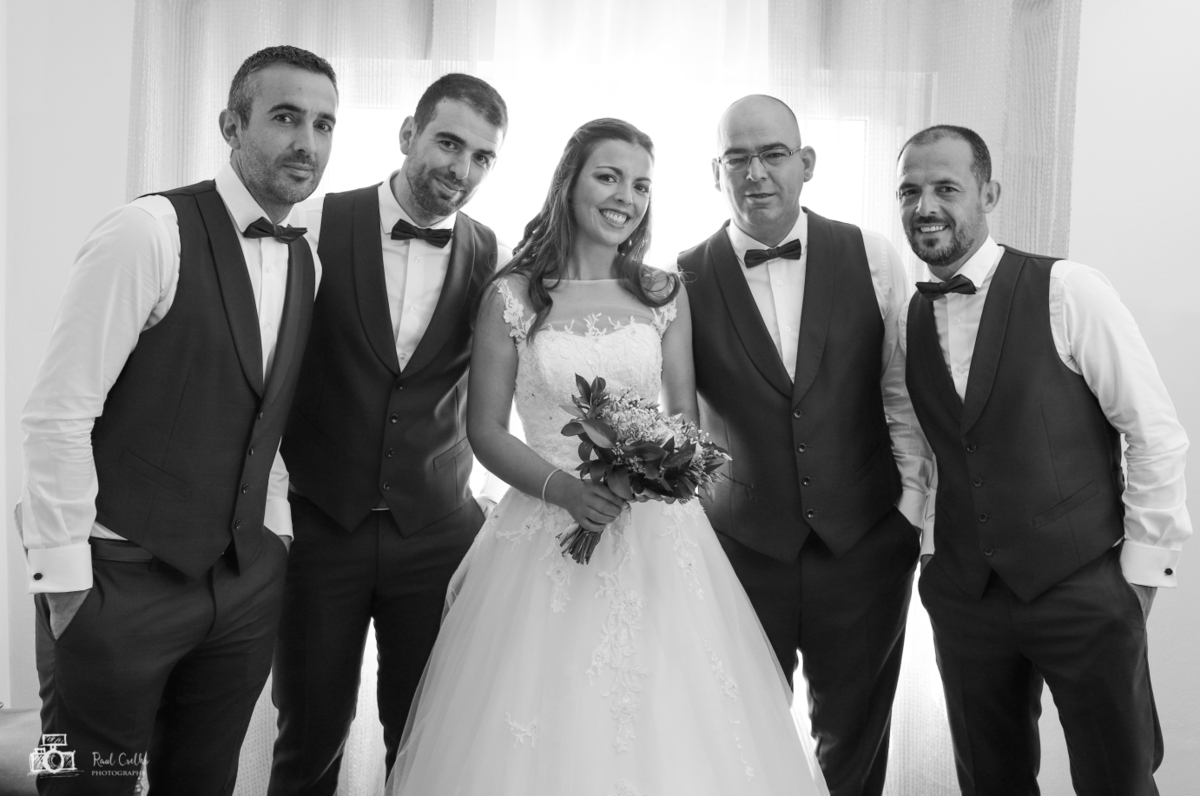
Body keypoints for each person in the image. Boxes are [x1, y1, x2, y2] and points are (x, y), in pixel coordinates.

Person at [385, 118, 827, 795]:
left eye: (641, 185)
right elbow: (486, 430)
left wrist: (652, 471)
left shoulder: (663, 292)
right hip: (542, 531)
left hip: (657, 538)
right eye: (609, 177)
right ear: (569, 183)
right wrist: (566, 490)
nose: (627, 197)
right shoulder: (512, 296)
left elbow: (682, 416)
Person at [17, 46, 337, 794]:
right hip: (115, 580)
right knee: (77, 783)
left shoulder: (307, 262)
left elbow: (265, 420)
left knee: (203, 781)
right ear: (231, 125)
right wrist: (64, 588)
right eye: (285, 117)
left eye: (324, 124)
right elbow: (57, 413)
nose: (307, 142)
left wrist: (275, 538)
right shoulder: (146, 230)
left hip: (243, 585)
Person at [898, 125, 1190, 796]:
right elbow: (928, 448)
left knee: (1118, 780)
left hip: (1083, 586)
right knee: (989, 782)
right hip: (965, 597)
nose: (925, 206)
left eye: (946, 188)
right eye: (909, 191)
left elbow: (1154, 432)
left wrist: (1140, 579)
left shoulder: (1069, 289)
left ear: (989, 194)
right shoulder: (908, 316)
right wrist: (931, 554)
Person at [676, 95, 932, 796]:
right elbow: (678, 421)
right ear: (715, 172)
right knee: (736, 741)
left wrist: (908, 514)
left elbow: (902, 395)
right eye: (737, 158)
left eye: (773, 154)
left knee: (855, 744)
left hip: (865, 545)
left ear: (807, 162)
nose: (755, 172)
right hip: (739, 550)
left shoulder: (873, 255)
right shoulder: (680, 278)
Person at [268, 73, 509, 793]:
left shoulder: (492, 255)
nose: (461, 169)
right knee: (308, 735)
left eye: (481, 157)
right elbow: (266, 372)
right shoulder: (311, 225)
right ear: (408, 134)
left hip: (435, 534)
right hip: (320, 527)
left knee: (426, 737)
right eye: (448, 144)